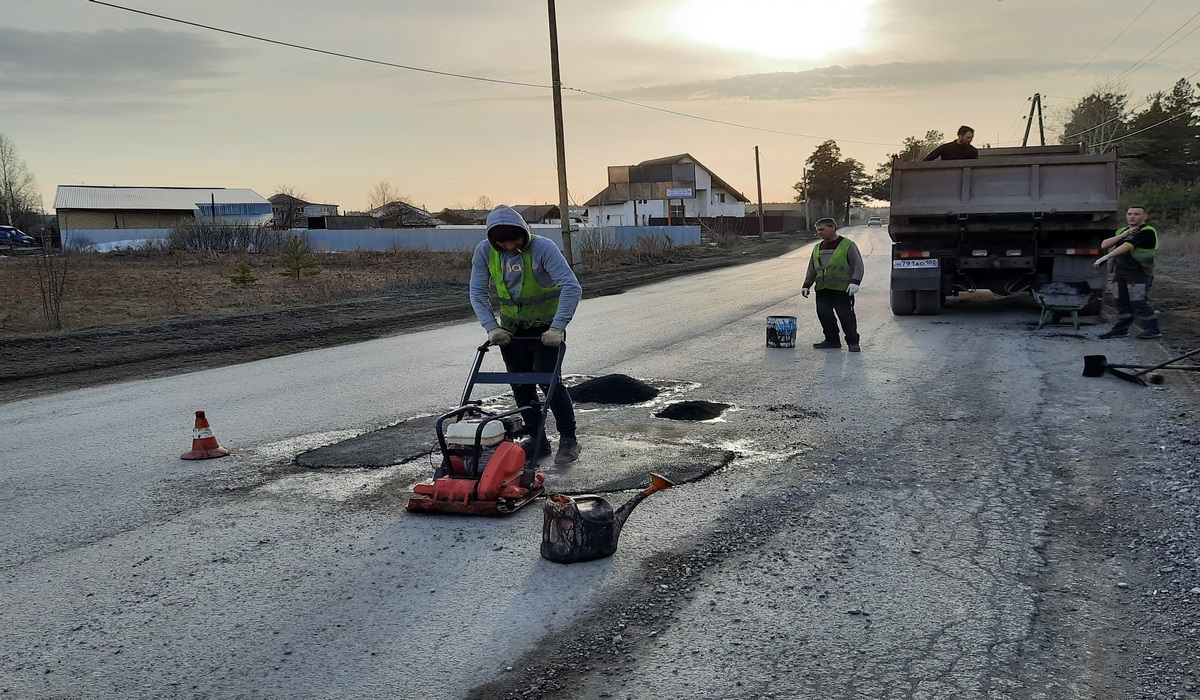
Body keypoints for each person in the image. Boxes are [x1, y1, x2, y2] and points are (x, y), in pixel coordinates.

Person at [469, 205, 583, 464]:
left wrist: (558, 326)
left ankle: (568, 440)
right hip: (510, 332)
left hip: (545, 330)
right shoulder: (485, 252)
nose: (509, 245)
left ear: (524, 232)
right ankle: (538, 441)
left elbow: (571, 286)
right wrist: (492, 327)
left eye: (514, 239)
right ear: (492, 239)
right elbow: (477, 292)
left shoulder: (543, 248)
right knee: (520, 384)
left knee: (549, 383)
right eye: (502, 241)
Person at [1094, 205, 1161, 340]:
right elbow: (1104, 244)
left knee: (1139, 301)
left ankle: (1152, 329)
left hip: (1138, 272)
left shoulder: (1147, 231)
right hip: (1121, 273)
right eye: (1129, 214)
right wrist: (1123, 234)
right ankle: (1121, 329)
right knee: (1121, 301)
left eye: (1136, 214)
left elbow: (1127, 246)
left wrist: (1105, 257)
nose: (1132, 216)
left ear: (1144, 216)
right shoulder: (1123, 230)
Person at [801, 218, 865, 352]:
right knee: (824, 314)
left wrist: (855, 282)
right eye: (817, 230)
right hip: (823, 288)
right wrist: (807, 284)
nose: (819, 232)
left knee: (846, 316)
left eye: (822, 229)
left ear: (833, 228)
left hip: (842, 288)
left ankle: (853, 342)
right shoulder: (817, 247)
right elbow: (812, 267)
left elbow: (858, 265)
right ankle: (832, 340)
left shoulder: (847, 245)